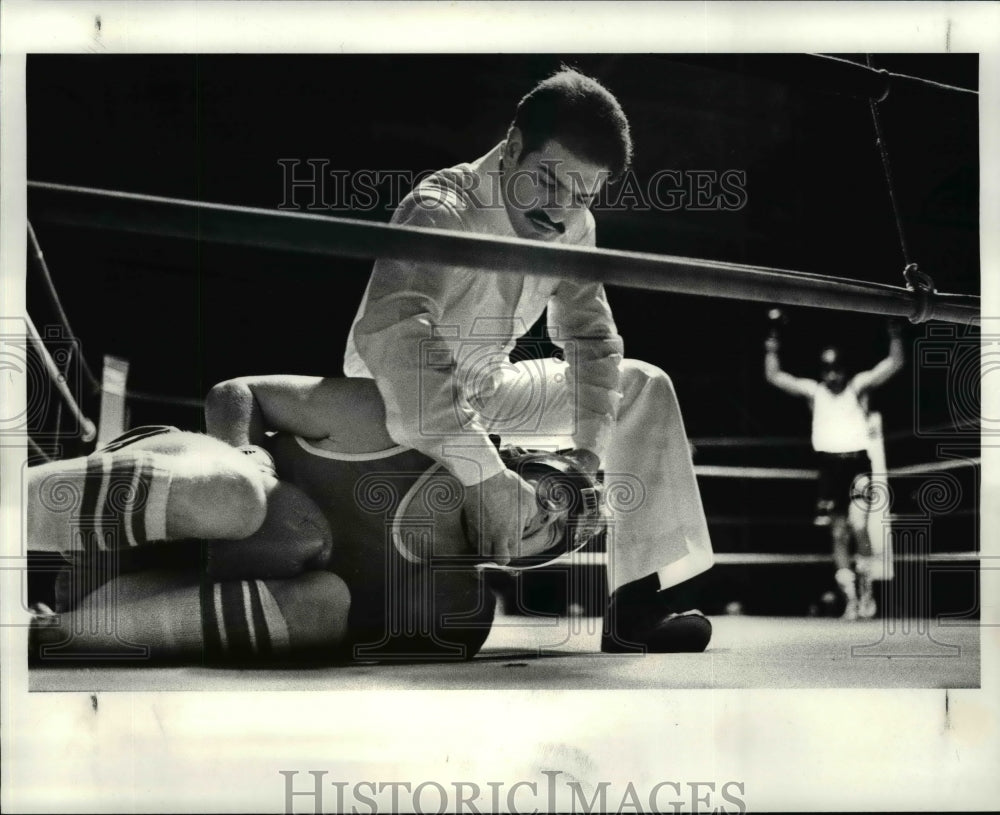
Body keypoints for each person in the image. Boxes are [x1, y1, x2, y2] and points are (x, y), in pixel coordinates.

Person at [342, 67, 714, 653]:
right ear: (514, 146)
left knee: (643, 385)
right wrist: (488, 476)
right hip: (383, 412)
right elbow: (395, 339)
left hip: (486, 393)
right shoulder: (441, 207)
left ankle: (637, 605)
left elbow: (593, 342)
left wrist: (588, 455)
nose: (560, 212)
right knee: (447, 611)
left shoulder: (576, 227)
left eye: (582, 196)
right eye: (547, 182)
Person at [205, 374, 608, 661]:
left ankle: (149, 620)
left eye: (558, 532)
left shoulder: (448, 603)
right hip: (179, 494)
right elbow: (237, 393)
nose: (549, 517)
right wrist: (246, 470)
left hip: (191, 592)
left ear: (526, 560)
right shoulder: (392, 427)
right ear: (507, 468)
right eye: (553, 493)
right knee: (282, 520)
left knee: (321, 599)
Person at [27, 427, 350, 663]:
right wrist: (253, 463)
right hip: (168, 493)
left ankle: (46, 635)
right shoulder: (383, 407)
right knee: (238, 496)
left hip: (128, 601)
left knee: (323, 606)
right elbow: (238, 391)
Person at [764, 319, 904, 620]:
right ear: (822, 370)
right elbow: (774, 375)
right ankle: (851, 599)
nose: (832, 374)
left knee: (858, 524)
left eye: (836, 368)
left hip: (857, 463)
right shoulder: (815, 393)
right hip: (829, 467)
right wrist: (772, 343)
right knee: (839, 533)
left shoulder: (858, 387)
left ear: (844, 368)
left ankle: (867, 592)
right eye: (827, 369)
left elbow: (894, 363)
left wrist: (894, 333)